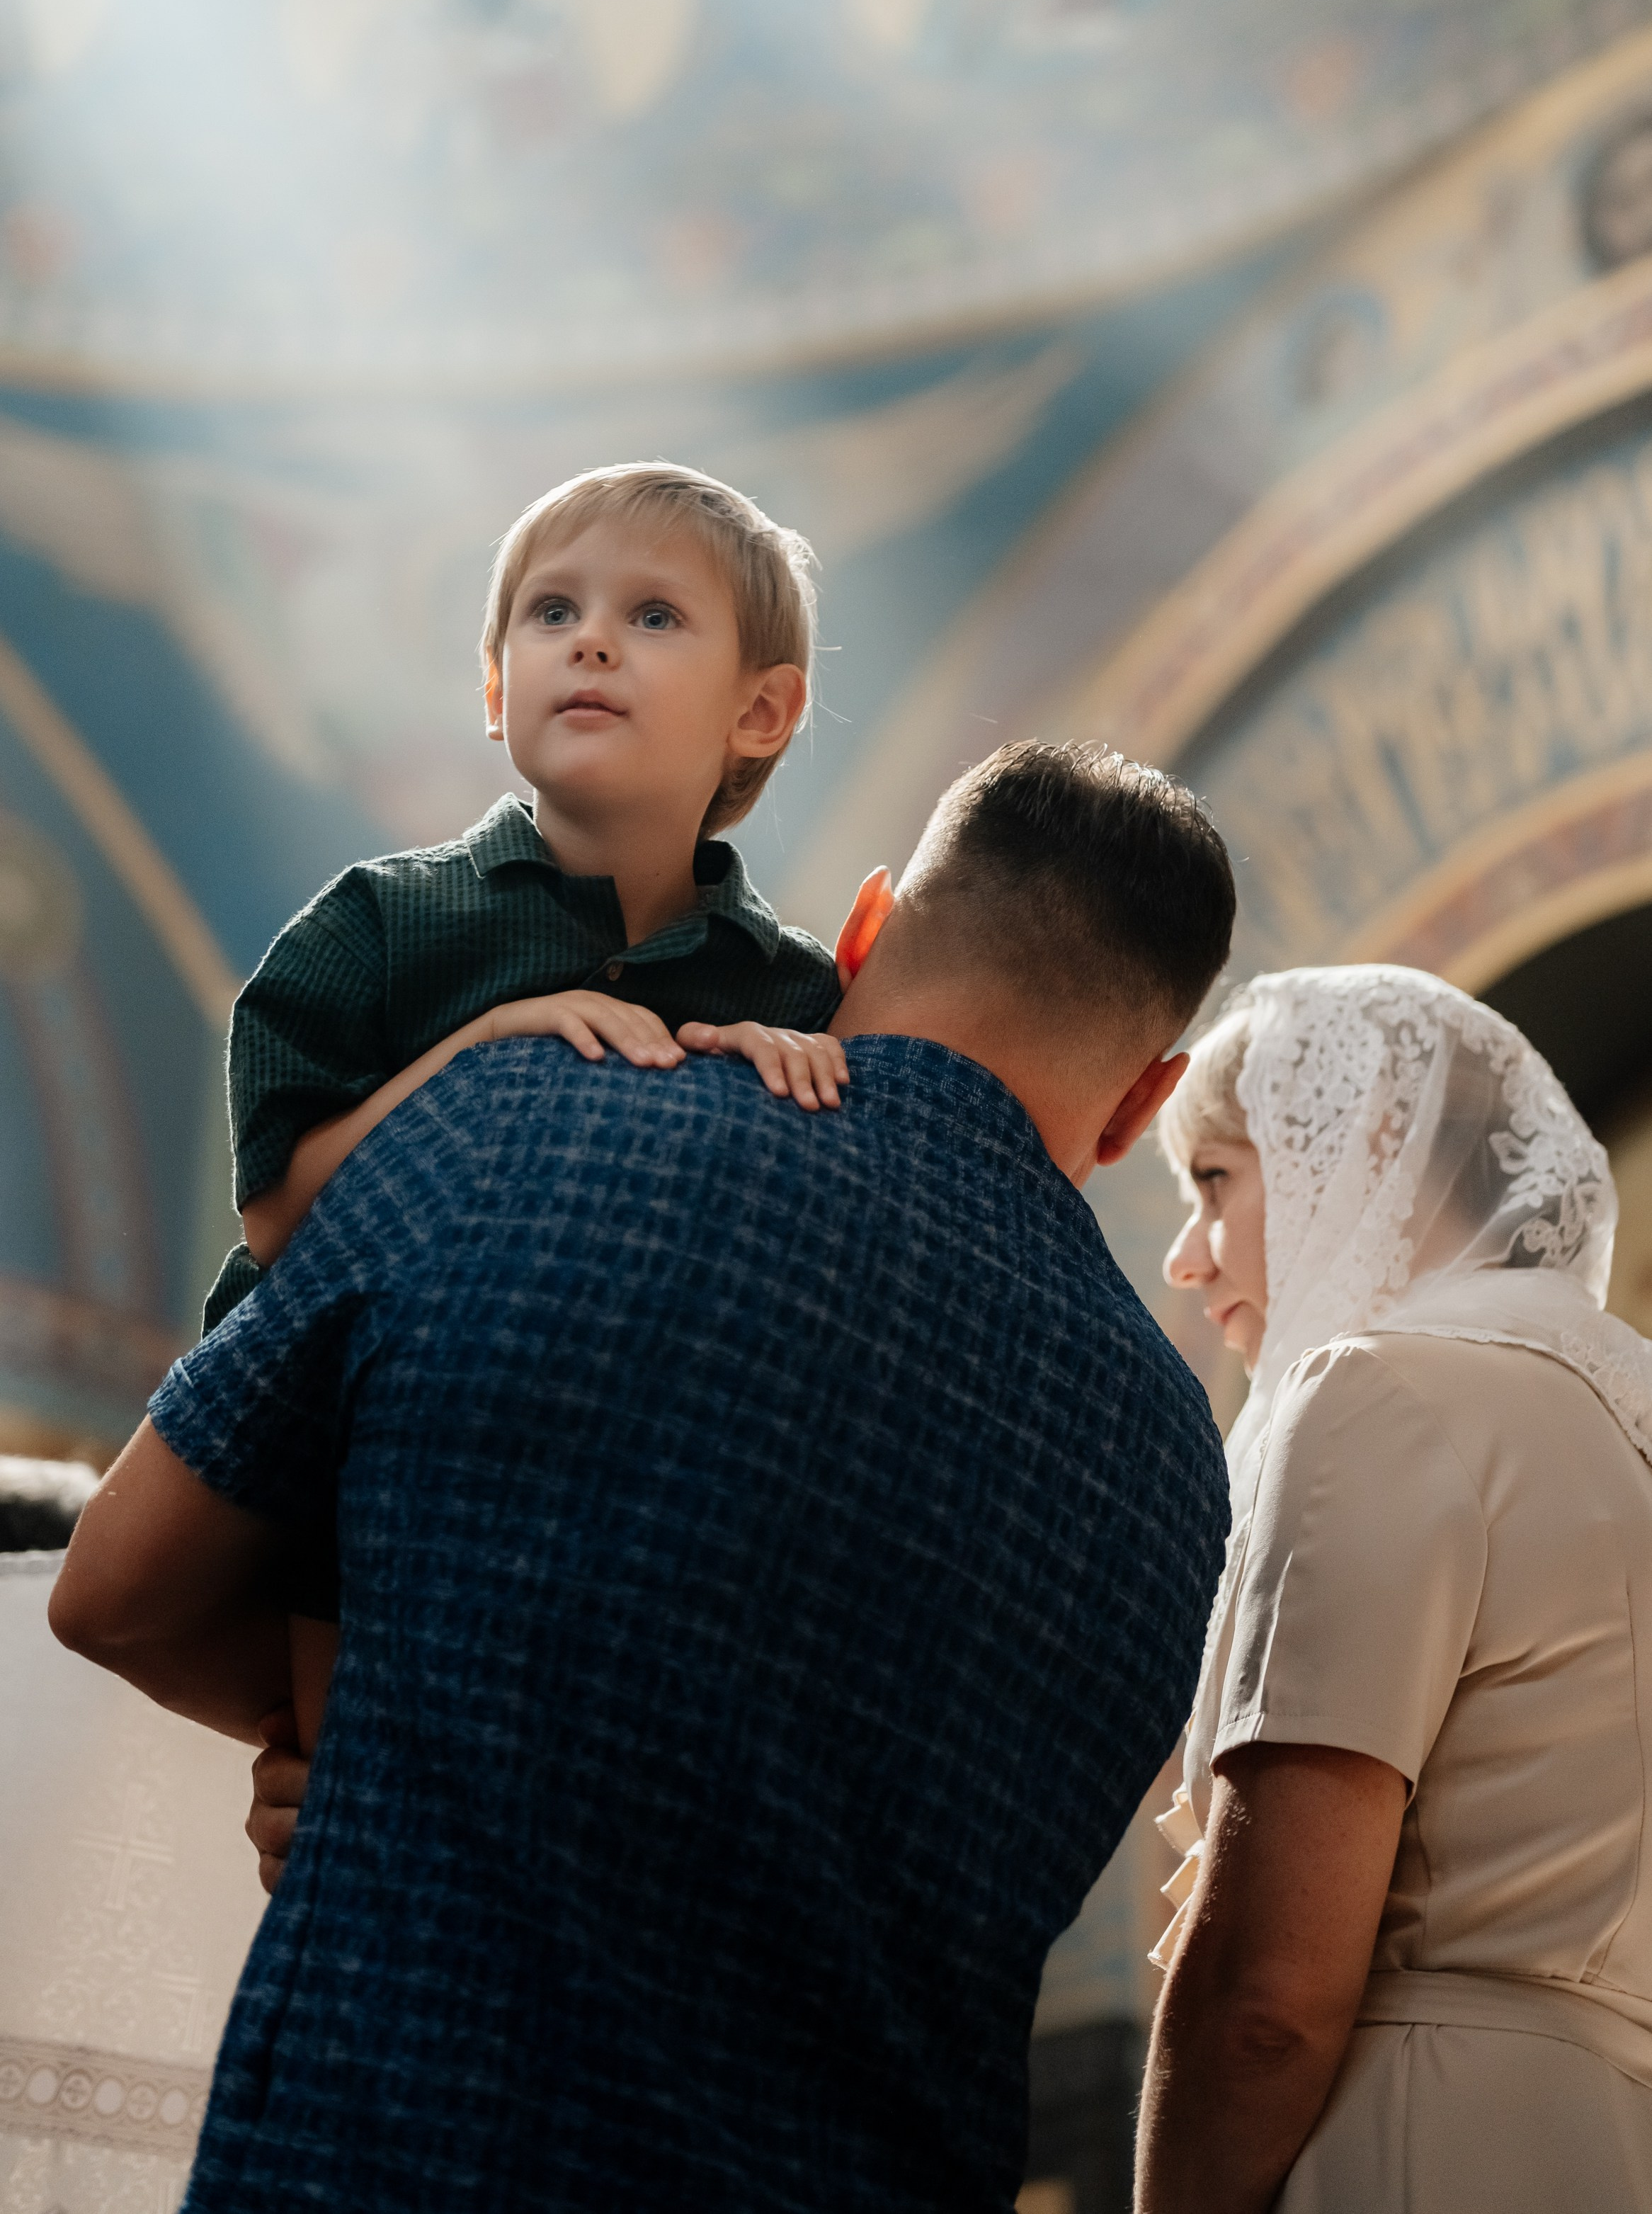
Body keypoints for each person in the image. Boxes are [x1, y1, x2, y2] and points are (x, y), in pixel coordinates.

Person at [52, 739, 1235, 2214]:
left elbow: (114, 1587)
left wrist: (380, 1741)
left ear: (860, 930)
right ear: (1145, 1103)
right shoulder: (1179, 1469)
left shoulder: (515, 1124)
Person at [203, 461, 875, 1749]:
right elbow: (283, 1223)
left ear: (763, 711)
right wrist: (489, 1051)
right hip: (351, 1477)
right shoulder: (382, 927)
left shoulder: (792, 991)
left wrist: (773, 1095)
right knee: (358, 1799)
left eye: (655, 617)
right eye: (552, 613)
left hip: (615, 1501)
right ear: (498, 689)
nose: (595, 641)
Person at [1137, 963, 1652, 2214]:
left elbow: (1267, 2000)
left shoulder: (1376, 1393)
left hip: (1409, 2142)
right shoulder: (1625, 1426)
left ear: (1357, 1143)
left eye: (1214, 1182)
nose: (1184, 1261)